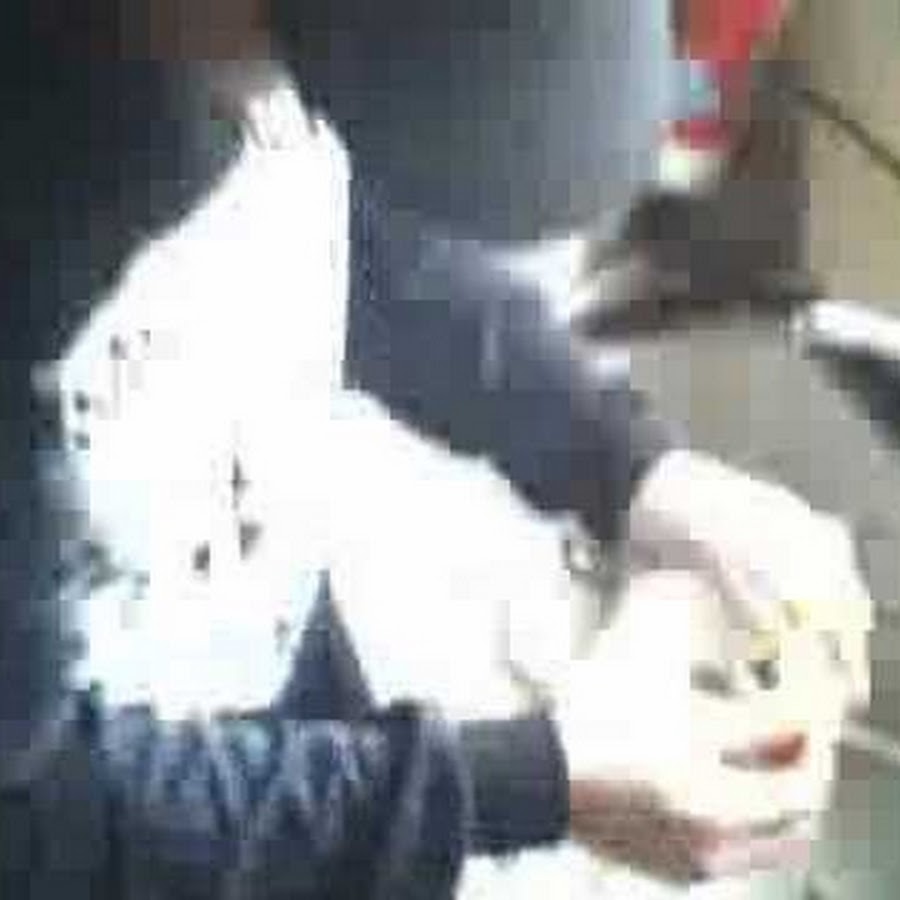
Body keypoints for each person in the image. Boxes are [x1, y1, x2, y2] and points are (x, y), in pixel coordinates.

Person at [0, 2, 871, 897]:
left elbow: (341, 228)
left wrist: (635, 467)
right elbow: (30, 817)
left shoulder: (260, 52)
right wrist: (524, 783)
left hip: (266, 655)